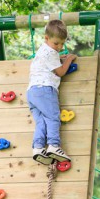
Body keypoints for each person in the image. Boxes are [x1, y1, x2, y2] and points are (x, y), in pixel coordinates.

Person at [27, 19, 77, 165]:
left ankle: (37, 148)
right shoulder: (51, 53)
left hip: (32, 92)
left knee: (41, 121)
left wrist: (59, 57)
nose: (60, 47)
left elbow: (49, 62)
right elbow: (60, 72)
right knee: (54, 117)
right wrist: (69, 59)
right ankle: (54, 145)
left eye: (62, 43)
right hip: (45, 89)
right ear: (46, 38)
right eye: (57, 43)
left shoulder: (43, 51)